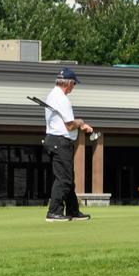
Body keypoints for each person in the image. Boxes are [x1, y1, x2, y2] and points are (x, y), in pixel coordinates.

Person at [43, 67, 94, 223]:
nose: (74, 87)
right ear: (69, 83)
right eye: (74, 84)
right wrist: (82, 123)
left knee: (68, 178)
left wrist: (79, 124)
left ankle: (73, 210)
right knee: (63, 179)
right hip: (60, 141)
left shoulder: (54, 95)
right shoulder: (62, 99)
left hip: (57, 140)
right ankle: (54, 212)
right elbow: (70, 125)